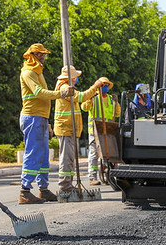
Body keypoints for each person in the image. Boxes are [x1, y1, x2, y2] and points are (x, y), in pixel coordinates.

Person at [19, 43, 74, 204]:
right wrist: (61, 93)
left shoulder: (38, 73)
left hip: (41, 118)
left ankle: (43, 189)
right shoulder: (28, 72)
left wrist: (47, 123)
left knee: (43, 156)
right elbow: (39, 93)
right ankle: (25, 190)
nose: (42, 57)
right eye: (39, 54)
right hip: (32, 117)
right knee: (33, 153)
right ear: (31, 55)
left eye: (43, 54)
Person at [53, 65, 106, 200]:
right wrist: (94, 86)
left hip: (70, 129)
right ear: (71, 78)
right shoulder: (65, 88)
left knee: (70, 159)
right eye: (75, 77)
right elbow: (81, 97)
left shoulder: (67, 88)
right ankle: (64, 186)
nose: (76, 79)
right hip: (66, 129)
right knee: (66, 159)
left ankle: (68, 184)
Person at [81, 78, 119, 186]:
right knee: (94, 154)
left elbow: (117, 114)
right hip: (95, 131)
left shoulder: (111, 99)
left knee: (108, 154)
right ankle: (92, 177)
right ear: (98, 87)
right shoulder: (94, 98)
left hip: (108, 131)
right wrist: (89, 98)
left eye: (107, 85)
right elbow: (84, 107)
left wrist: (116, 103)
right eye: (103, 85)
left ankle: (107, 175)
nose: (106, 87)